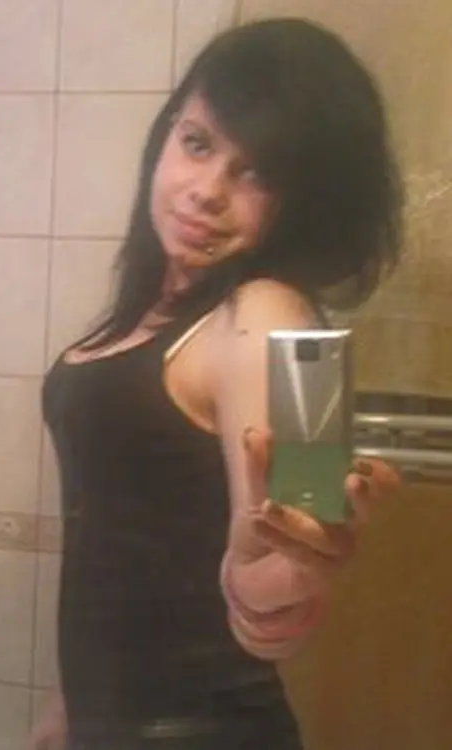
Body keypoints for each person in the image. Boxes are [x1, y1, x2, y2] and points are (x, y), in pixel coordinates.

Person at [33, 17, 403, 750]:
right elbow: (118, 541)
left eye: (258, 173)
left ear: (307, 202)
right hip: (116, 721)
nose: (207, 192)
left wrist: (271, 582)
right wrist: (73, 704)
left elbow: (293, 559)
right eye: (198, 143)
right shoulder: (155, 306)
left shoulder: (285, 323)